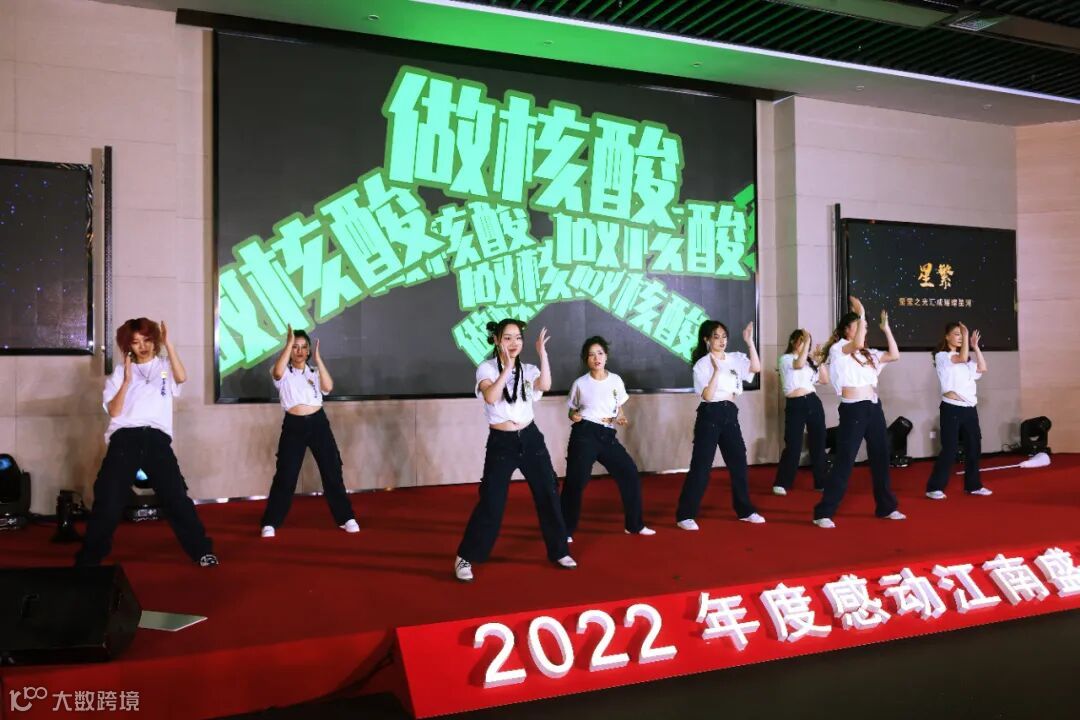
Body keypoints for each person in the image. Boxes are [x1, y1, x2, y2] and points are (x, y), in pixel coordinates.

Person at [76, 318, 216, 567]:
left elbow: (182, 377)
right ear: (128, 346)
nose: (143, 346)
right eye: (136, 342)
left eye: (147, 340)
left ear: (155, 341)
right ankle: (89, 559)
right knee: (108, 499)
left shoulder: (164, 366)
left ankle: (201, 551)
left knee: (176, 497)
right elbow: (114, 412)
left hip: (156, 438)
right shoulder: (119, 373)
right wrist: (127, 381)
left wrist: (169, 344)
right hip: (124, 438)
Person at [454, 319, 576, 582]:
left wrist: (543, 354)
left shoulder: (528, 369)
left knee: (548, 493)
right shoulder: (486, 368)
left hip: (531, 439)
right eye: (507, 338)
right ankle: (466, 556)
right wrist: (507, 368)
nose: (513, 343)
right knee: (492, 501)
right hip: (502, 442)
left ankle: (559, 551)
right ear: (497, 340)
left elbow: (545, 385)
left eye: (518, 338)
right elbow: (490, 397)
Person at [812, 297, 906, 528]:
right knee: (845, 459)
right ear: (847, 330)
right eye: (859, 326)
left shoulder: (868, 354)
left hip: (873, 407)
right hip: (853, 409)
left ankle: (886, 507)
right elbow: (855, 344)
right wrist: (862, 312)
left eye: (864, 327)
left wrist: (886, 329)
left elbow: (894, 355)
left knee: (881, 456)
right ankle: (823, 512)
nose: (864, 330)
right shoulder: (839, 350)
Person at [261, 326, 357, 538]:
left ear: (309, 351)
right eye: (295, 347)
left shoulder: (314, 372)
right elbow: (277, 373)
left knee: (332, 471)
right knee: (286, 475)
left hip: (318, 424)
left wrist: (319, 360)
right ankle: (271, 522)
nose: (299, 351)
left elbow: (328, 387)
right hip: (293, 426)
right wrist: (288, 343)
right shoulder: (283, 372)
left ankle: (346, 517)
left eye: (303, 347)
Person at [561, 336, 655, 542]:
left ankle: (634, 525)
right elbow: (571, 411)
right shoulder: (580, 383)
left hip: (607, 434)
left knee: (629, 473)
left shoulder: (616, 380)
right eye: (591, 355)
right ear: (586, 359)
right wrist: (573, 416)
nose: (596, 358)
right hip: (585, 433)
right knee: (576, 482)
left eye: (600, 353)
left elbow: (618, 406)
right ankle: (565, 531)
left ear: (606, 356)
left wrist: (620, 416)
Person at [675, 320, 764, 529]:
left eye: (724, 336)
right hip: (710, 414)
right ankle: (685, 515)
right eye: (716, 337)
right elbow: (706, 395)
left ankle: (745, 510)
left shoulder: (735, 358)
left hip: (730, 413)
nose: (722, 341)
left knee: (739, 463)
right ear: (707, 340)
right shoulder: (702, 364)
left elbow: (756, 367)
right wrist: (716, 371)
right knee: (701, 467)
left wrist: (750, 342)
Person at [925, 322, 992, 499]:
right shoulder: (942, 356)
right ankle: (934, 488)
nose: (960, 337)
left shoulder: (967, 361)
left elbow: (982, 368)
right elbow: (960, 358)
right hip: (951, 408)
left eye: (962, 335)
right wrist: (967, 333)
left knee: (974, 447)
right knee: (950, 448)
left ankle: (973, 486)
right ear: (947, 337)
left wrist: (975, 347)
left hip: (969, 409)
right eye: (957, 334)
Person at [772, 329, 829, 495]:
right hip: (795, 404)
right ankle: (782, 483)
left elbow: (824, 380)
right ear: (793, 341)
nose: (805, 345)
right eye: (802, 341)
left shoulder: (809, 362)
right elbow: (798, 364)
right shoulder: (786, 359)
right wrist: (807, 342)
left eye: (807, 342)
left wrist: (819, 361)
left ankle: (821, 482)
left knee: (818, 443)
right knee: (793, 444)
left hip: (812, 401)